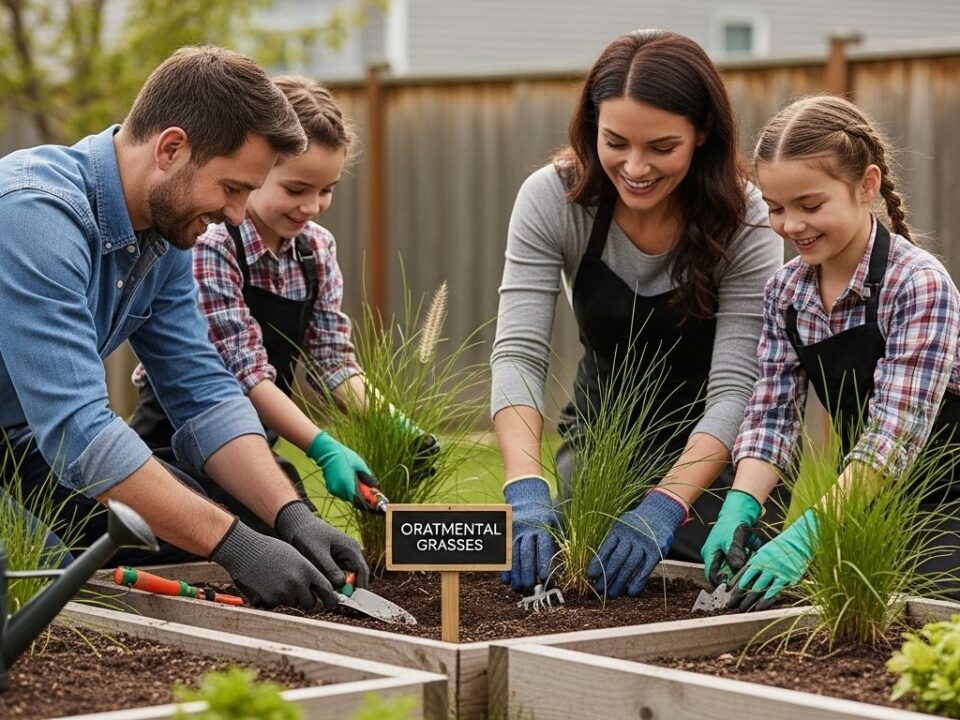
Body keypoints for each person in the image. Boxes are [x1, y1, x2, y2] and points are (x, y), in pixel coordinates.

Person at [0, 47, 369, 611]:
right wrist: (238, 545)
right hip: (46, 431)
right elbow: (79, 430)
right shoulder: (36, 214)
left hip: (20, 433)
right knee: (46, 587)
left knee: (174, 526)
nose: (238, 215)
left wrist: (289, 515)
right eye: (232, 188)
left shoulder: (166, 235)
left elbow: (203, 391)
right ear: (171, 149)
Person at [490, 29, 783, 597]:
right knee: (579, 567)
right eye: (616, 142)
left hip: (719, 452)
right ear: (591, 125)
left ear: (702, 132)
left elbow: (737, 387)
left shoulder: (745, 216)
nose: (635, 166)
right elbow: (519, 354)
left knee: (703, 585)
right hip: (603, 439)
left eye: (661, 147)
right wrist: (524, 486)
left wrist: (668, 502)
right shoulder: (554, 199)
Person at [128, 75, 437, 521]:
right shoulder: (213, 245)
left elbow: (333, 361)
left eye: (326, 190)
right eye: (296, 190)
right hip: (176, 446)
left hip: (255, 448)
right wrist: (321, 446)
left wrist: (392, 423)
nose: (311, 207)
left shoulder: (316, 250)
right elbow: (245, 375)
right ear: (256, 172)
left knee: (310, 545)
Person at [704, 94, 960, 611]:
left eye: (811, 205)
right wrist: (741, 502)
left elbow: (893, 434)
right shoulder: (785, 293)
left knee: (919, 614)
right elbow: (772, 414)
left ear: (866, 186)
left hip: (946, 502)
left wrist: (807, 534)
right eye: (776, 208)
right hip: (864, 496)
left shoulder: (919, 285)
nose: (792, 225)